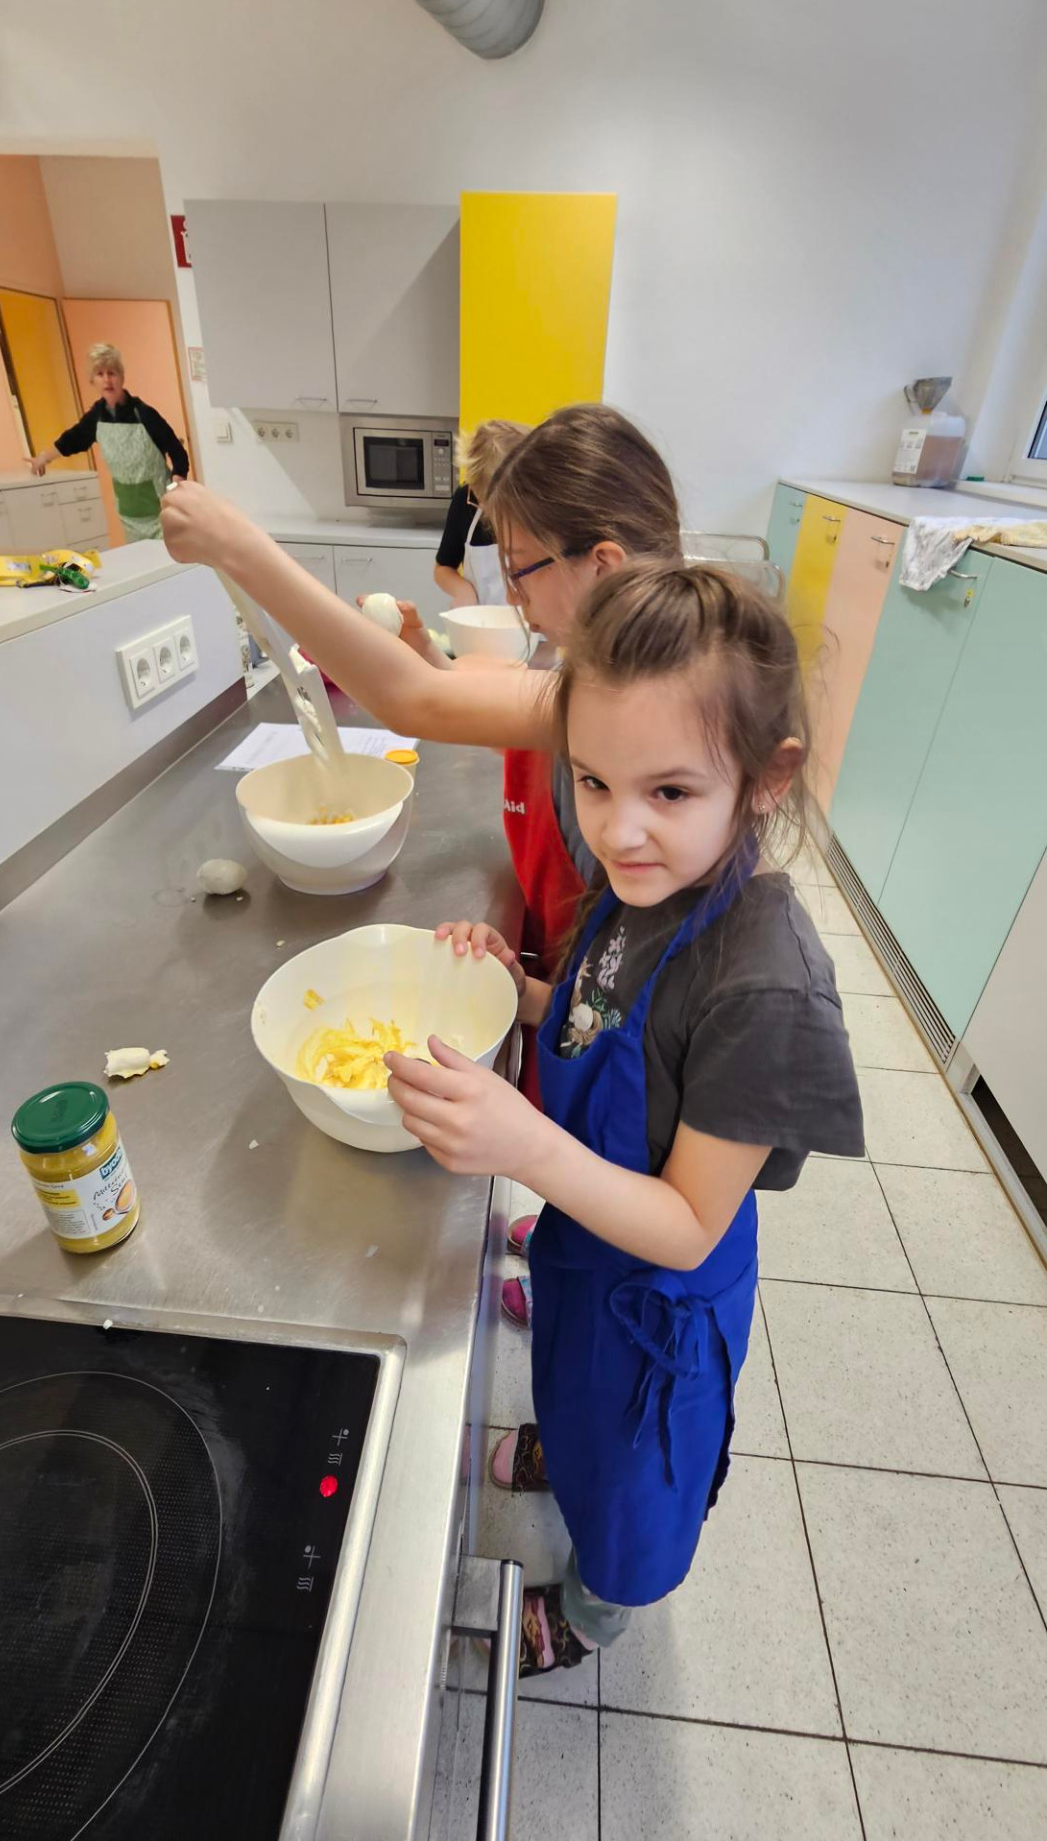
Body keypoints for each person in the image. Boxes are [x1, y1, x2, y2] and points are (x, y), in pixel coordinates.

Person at [384, 563, 864, 1676]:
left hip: (659, 1310)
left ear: (766, 778)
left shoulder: (763, 988)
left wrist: (523, 1144)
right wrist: (518, 990)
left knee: (631, 1485)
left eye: (670, 792)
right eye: (592, 781)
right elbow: (603, 1019)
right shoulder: (646, 887)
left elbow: (690, 1225)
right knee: (569, 1386)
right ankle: (565, 1445)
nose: (619, 828)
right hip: (587, 1253)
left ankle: (595, 1612)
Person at [161, 403, 683, 985]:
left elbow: (416, 701)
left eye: (520, 570)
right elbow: (494, 707)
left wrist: (237, 546)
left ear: (602, 567)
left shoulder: (636, 691)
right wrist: (427, 654)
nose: (515, 597)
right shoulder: (611, 665)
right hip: (568, 982)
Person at [30, 342, 189, 542]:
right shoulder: (96, 418)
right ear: (93, 380)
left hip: (162, 512)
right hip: (129, 513)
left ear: (121, 377)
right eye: (100, 374)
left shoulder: (144, 414)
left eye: (112, 373)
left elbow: (178, 453)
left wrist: (175, 488)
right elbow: (71, 440)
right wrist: (43, 458)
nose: (107, 380)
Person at [434, 418, 527, 607]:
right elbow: (442, 568)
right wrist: (463, 590)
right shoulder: (464, 500)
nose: (492, 516)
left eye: (503, 508)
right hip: (479, 620)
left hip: (534, 624)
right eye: (484, 503)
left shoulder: (544, 513)